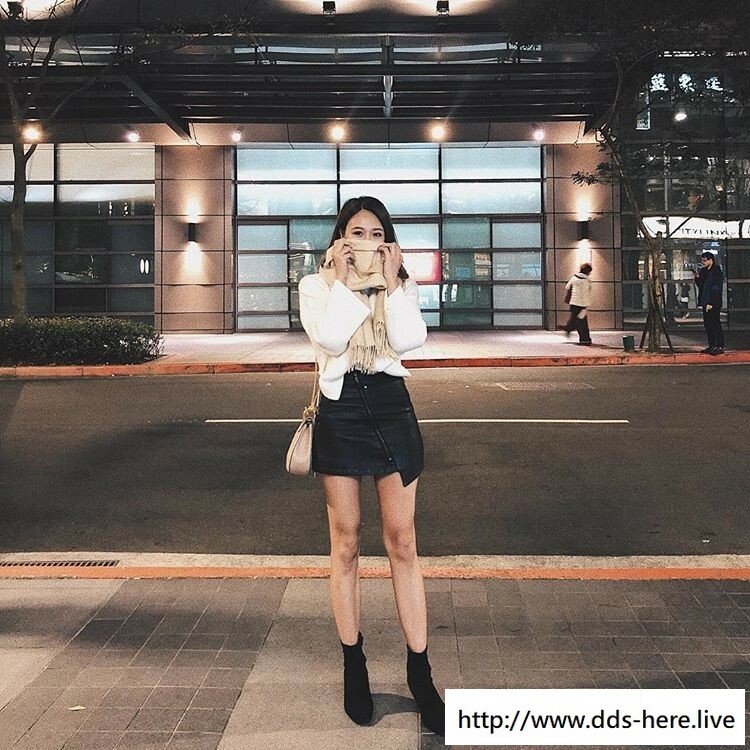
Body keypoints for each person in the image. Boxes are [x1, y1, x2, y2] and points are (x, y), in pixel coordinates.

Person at [298, 196, 444, 735]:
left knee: (402, 542)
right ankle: (353, 666)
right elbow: (331, 338)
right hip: (341, 411)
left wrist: (391, 281)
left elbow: (408, 340)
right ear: (340, 238)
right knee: (346, 542)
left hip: (390, 405)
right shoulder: (316, 285)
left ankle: (420, 673)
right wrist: (344, 282)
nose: (366, 242)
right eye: (357, 232)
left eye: (376, 234)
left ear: (388, 241)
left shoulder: (400, 282)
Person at [692, 251, 725, 354]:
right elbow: (701, 285)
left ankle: (719, 345)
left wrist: (711, 303)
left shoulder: (716, 271)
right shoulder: (704, 271)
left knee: (715, 323)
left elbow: (716, 288)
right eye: (702, 260)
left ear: (711, 260)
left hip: (713, 302)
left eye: (705, 260)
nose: (703, 262)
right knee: (708, 324)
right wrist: (697, 277)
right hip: (705, 301)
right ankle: (712, 345)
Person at [562, 262, 593, 345]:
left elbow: (567, 287)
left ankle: (569, 327)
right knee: (582, 322)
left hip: (574, 303)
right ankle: (584, 339)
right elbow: (589, 291)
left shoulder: (574, 278)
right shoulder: (587, 280)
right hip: (583, 304)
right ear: (588, 272)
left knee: (577, 320)